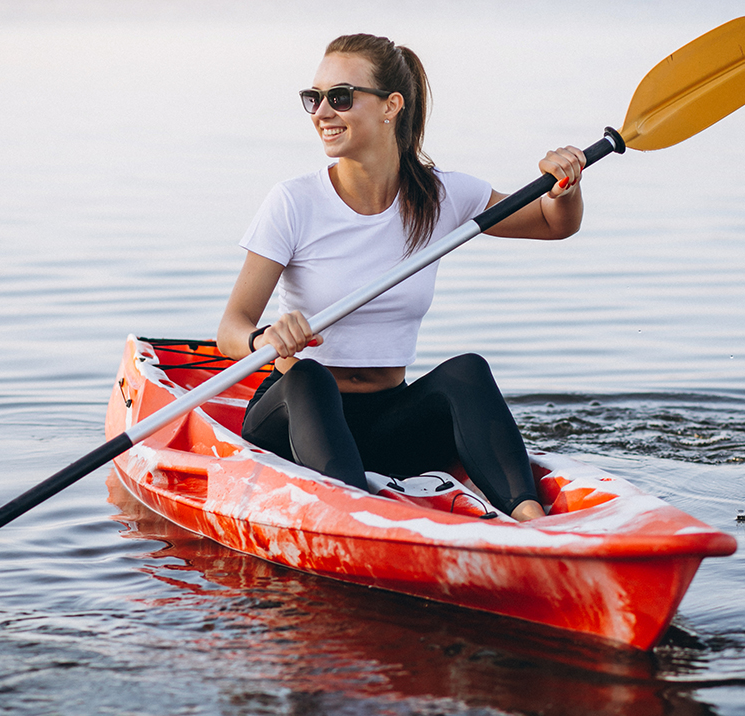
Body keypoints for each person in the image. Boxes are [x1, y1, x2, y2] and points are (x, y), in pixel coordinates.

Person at [217, 33, 584, 522]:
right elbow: (230, 330)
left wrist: (565, 186)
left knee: (466, 370)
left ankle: (532, 524)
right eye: (314, 98)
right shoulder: (293, 202)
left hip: (389, 425)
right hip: (295, 419)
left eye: (340, 97)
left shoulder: (441, 196)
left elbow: (553, 224)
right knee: (308, 376)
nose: (322, 112)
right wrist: (265, 337)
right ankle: (353, 520)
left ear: (392, 106)